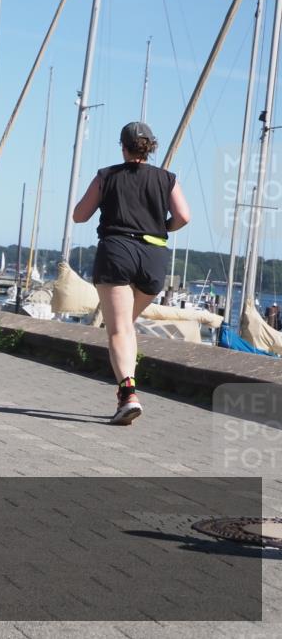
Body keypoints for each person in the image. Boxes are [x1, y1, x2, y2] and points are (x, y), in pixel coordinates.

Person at [73, 121, 190, 425]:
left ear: (122, 146)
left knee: (119, 330)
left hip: (117, 251)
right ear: (150, 147)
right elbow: (183, 216)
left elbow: (79, 215)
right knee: (126, 327)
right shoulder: (167, 179)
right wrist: (162, 226)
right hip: (153, 256)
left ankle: (128, 396)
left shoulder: (106, 176)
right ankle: (126, 392)